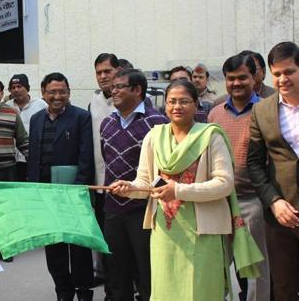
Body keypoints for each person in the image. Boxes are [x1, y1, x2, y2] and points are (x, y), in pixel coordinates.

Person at [109, 80, 241, 301]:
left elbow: (224, 183)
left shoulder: (211, 136)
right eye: (172, 101)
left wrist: (179, 190)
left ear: (196, 104)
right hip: (165, 232)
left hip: (203, 231)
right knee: (166, 290)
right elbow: (145, 183)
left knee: (201, 291)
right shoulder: (154, 136)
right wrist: (129, 188)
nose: (177, 106)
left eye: (184, 101)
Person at [247, 41, 299, 300]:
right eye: (276, 74)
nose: (282, 79)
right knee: (283, 288)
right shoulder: (261, 110)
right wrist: (274, 201)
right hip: (279, 215)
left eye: (289, 71)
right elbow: (254, 164)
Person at [100, 69, 168, 301]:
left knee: (147, 273)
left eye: (120, 87)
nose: (113, 91)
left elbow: (164, 168)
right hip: (112, 210)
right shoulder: (107, 123)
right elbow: (109, 162)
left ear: (137, 90)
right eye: (113, 87)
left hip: (144, 211)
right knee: (117, 274)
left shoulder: (157, 123)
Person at [208, 54, 270, 301]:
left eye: (242, 77)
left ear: (254, 77)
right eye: (231, 78)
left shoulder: (268, 109)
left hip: (254, 201)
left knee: (258, 269)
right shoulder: (214, 113)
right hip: (220, 202)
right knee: (219, 266)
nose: (236, 83)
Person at [28, 72, 95, 301]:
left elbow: (86, 157)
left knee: (78, 246)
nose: (58, 96)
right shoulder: (36, 119)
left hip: (72, 194)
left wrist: (78, 190)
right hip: (45, 194)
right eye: (52, 92)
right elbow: (33, 157)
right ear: (43, 92)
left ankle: (84, 291)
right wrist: (32, 191)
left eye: (62, 91)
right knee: (54, 247)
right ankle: (63, 291)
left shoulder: (81, 117)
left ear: (69, 92)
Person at [88, 53, 120, 284]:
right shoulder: (94, 102)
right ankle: (108, 279)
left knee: (126, 239)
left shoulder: (133, 100)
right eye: (99, 72)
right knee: (103, 234)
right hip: (100, 183)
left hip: (127, 184)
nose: (103, 76)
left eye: (107, 71)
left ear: (117, 71)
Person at [6, 74, 47, 181]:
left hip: (33, 158)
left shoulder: (41, 105)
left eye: (19, 86)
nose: (16, 90)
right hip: (13, 160)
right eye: (13, 87)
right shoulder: (6, 107)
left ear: (27, 88)